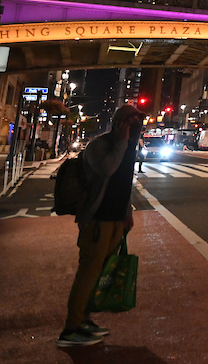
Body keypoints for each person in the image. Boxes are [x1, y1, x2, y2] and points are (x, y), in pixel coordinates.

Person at [58, 102, 146, 348]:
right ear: (119, 123)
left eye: (139, 122)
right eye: (132, 121)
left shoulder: (128, 146)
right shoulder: (101, 145)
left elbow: (124, 182)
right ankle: (71, 328)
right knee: (88, 273)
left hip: (116, 219)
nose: (136, 126)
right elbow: (108, 169)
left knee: (99, 273)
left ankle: (84, 320)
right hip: (98, 220)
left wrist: (127, 212)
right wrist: (121, 140)